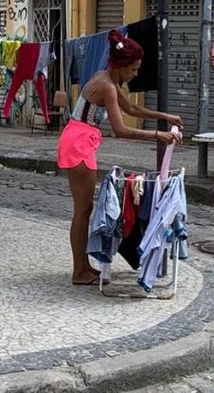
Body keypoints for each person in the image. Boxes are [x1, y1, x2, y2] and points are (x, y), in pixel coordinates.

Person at [56, 29, 182, 285]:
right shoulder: (106, 86)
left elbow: (132, 108)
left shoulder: (108, 79)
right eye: (133, 69)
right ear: (122, 65)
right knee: (82, 211)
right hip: (78, 143)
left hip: (80, 139)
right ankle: (79, 271)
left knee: (84, 209)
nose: (135, 74)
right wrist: (159, 135)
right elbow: (121, 130)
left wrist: (165, 117)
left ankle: (82, 267)